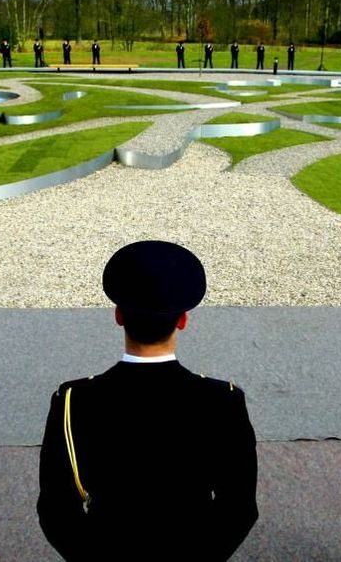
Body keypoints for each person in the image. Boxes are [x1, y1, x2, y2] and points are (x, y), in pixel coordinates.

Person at [37, 240, 258, 561]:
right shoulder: (223, 400)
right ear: (183, 320)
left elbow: (56, 511)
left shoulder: (73, 400)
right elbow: (238, 508)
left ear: (118, 315)